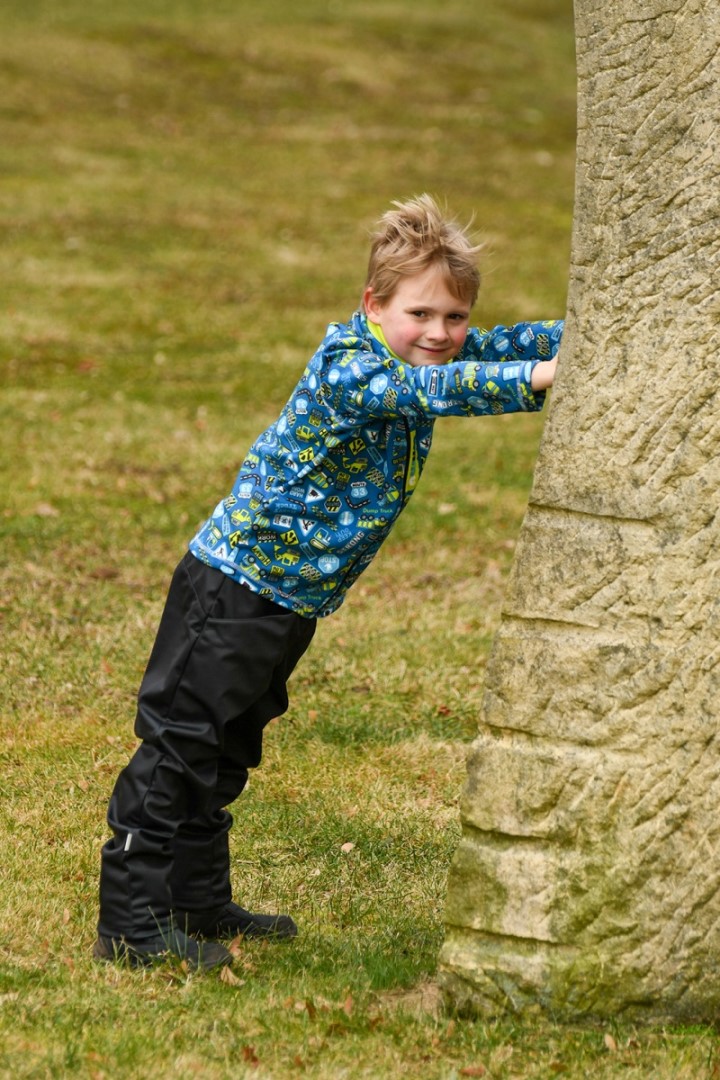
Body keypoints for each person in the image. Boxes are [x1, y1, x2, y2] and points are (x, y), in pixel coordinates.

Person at [94, 194, 563, 971]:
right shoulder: (353, 366)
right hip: (233, 588)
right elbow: (432, 393)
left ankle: (197, 901)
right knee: (180, 747)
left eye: (455, 318)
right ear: (373, 304)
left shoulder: (428, 349)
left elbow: (499, 347)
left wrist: (590, 337)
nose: (441, 336)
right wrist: (541, 378)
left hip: (289, 603)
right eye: (421, 314)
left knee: (231, 749)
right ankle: (129, 921)